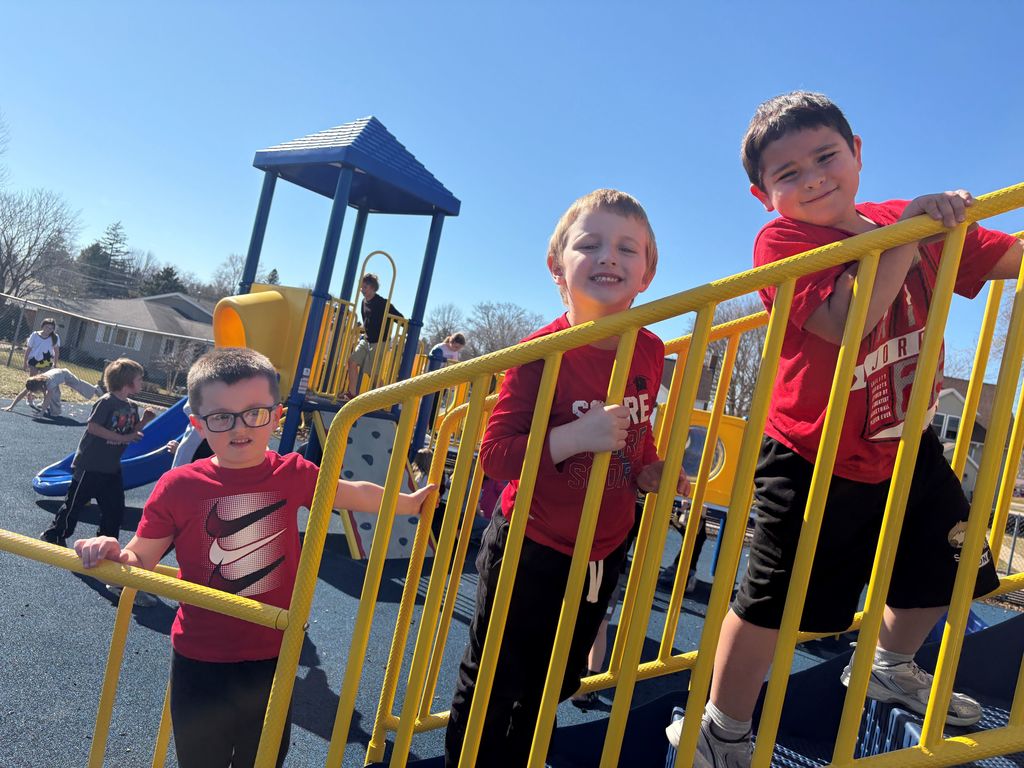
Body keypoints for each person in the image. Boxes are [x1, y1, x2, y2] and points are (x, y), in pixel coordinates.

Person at [670, 91, 1024, 767]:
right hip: (811, 450)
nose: (812, 179)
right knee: (772, 601)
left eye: (826, 156)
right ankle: (722, 727)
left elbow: (1007, 256)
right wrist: (907, 238)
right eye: (788, 174)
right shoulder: (782, 241)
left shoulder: (904, 220)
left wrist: (920, 226)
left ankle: (891, 665)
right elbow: (846, 321)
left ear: (857, 153)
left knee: (945, 563)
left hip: (906, 443)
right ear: (763, 195)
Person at [74, 347, 435, 768]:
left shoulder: (293, 473)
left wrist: (408, 503)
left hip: (273, 652)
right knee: (200, 760)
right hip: (199, 655)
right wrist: (115, 554)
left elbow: (351, 494)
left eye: (254, 413)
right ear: (198, 425)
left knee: (262, 759)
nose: (239, 427)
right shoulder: (178, 486)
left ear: (277, 416)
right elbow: (142, 557)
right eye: (222, 417)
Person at [444, 189, 689, 767]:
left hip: (604, 547)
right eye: (591, 244)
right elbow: (495, 455)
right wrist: (574, 438)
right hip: (531, 542)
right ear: (558, 266)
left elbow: (636, 432)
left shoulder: (650, 351)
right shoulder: (541, 353)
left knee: (556, 681)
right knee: (494, 681)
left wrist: (651, 471)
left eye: (627, 248)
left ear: (647, 272)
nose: (609, 257)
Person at [40, 358, 155, 548]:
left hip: (111, 467)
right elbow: (93, 427)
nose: (141, 383)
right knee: (74, 504)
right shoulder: (107, 402)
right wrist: (122, 439)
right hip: (91, 464)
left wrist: (144, 421)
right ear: (127, 382)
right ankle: (55, 534)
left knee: (115, 509)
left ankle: (104, 543)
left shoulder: (131, 407)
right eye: (139, 379)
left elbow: (130, 433)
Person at [343, 273, 404, 398]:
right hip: (366, 339)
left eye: (364, 287)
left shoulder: (382, 303)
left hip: (380, 342)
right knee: (352, 361)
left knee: (373, 373)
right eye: (361, 287)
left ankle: (383, 397)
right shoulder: (363, 302)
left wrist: (408, 329)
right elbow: (366, 320)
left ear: (372, 288)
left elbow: (400, 318)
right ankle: (352, 393)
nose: (362, 290)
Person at [3, 368, 103, 417]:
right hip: (56, 376)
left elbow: (48, 397)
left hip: (65, 374)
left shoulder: (49, 382)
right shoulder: (35, 382)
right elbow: (22, 393)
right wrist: (11, 406)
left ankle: (95, 389)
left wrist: (42, 413)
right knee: (54, 396)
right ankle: (54, 410)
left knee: (78, 385)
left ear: (38, 386)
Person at [24, 317, 60, 409]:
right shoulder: (35, 335)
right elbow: (28, 349)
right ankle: (30, 398)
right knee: (32, 381)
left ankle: (45, 401)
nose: (48, 330)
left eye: (51, 328)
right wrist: (25, 362)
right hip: (34, 361)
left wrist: (55, 364)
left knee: (45, 383)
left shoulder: (55, 337)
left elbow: (56, 351)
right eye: (47, 327)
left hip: (46, 362)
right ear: (43, 326)